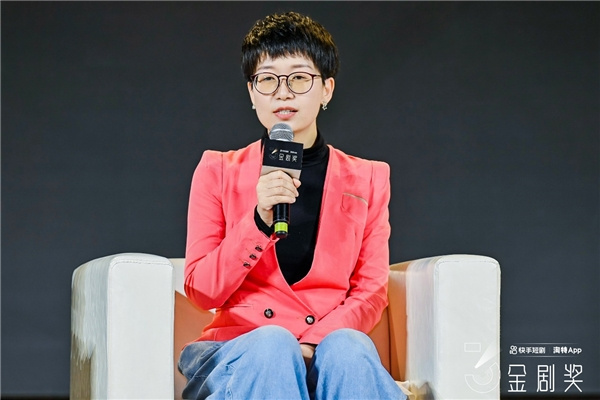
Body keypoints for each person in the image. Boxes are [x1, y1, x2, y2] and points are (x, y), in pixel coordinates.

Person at [178, 11, 406, 400]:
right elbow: (201, 290)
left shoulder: (368, 178)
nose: (283, 93)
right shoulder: (217, 170)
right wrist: (258, 221)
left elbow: (371, 291)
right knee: (273, 345)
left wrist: (315, 341)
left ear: (327, 89)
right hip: (242, 350)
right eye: (267, 79)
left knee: (350, 350)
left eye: (299, 78)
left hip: (328, 347)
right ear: (252, 93)